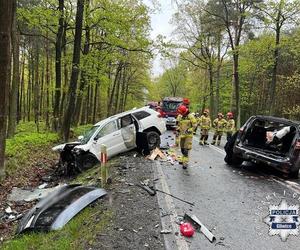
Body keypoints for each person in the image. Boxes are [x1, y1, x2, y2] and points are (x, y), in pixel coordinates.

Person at [176, 105, 197, 169]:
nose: (180, 114)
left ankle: (185, 162)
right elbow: (179, 125)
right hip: (182, 135)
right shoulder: (180, 116)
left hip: (188, 135)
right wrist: (178, 130)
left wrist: (189, 130)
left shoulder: (190, 116)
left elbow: (195, 125)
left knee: (186, 149)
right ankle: (183, 159)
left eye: (181, 113)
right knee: (182, 148)